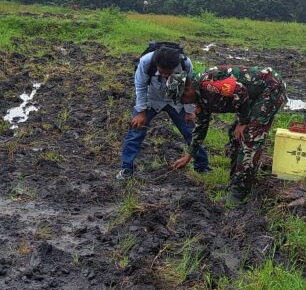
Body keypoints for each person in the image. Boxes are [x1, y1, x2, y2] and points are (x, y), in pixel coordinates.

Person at [172, 66, 287, 201]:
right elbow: (201, 126)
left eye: (181, 99)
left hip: (270, 88)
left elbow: (240, 90)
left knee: (249, 136)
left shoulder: (207, 84)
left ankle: (239, 192)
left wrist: (243, 122)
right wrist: (189, 155)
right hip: (254, 96)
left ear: (187, 90)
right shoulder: (199, 96)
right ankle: (234, 184)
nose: (183, 103)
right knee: (235, 133)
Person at [116, 46, 210, 180]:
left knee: (191, 131)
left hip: (176, 100)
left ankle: (202, 167)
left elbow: (190, 87)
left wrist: (189, 111)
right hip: (151, 99)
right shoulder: (146, 62)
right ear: (156, 64)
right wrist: (141, 112)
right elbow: (140, 86)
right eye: (162, 72)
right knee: (136, 131)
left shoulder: (185, 63)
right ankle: (126, 168)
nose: (166, 75)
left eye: (169, 73)